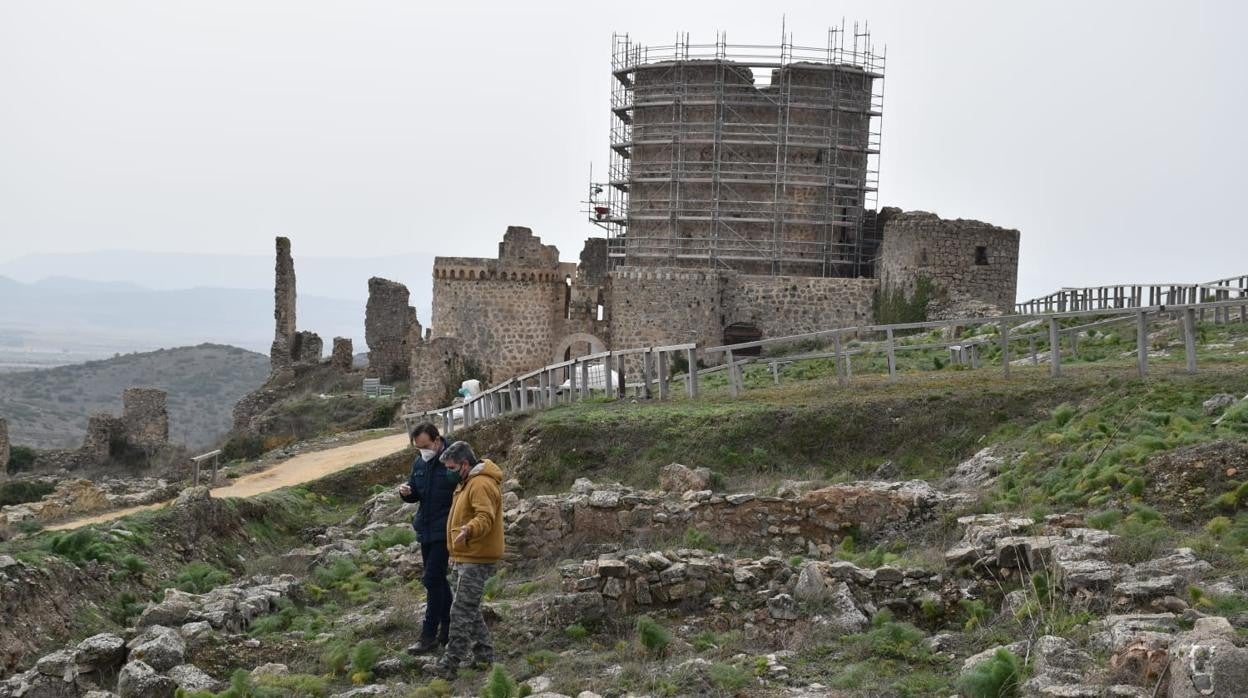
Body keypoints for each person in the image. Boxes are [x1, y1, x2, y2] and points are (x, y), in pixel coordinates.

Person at [422, 440, 505, 679]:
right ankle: (484, 656)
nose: (448, 472)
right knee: (470, 609)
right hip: (466, 554)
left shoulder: (480, 484)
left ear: (465, 464)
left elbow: (485, 517)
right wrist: (456, 553)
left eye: (450, 467)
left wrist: (468, 531)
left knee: (460, 610)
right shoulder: (466, 481)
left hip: (477, 556)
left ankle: (449, 664)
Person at [398, 423, 455, 654]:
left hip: (446, 530)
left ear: (437, 439)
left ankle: (428, 635)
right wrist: (407, 493)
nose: (423, 451)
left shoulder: (453, 460)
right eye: (419, 448)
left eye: (426, 446)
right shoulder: (420, 462)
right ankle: (449, 628)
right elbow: (416, 491)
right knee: (439, 580)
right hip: (426, 529)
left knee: (432, 580)